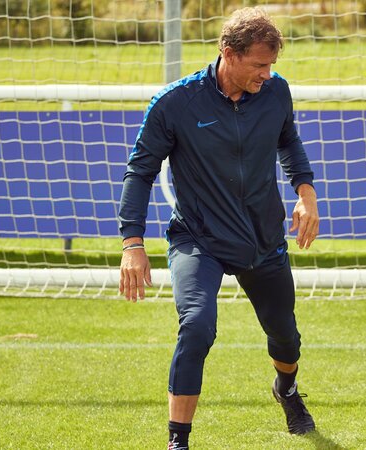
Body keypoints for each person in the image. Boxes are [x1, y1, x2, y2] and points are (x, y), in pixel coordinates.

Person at [118, 7, 319, 447]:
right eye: (259, 65)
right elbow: (140, 172)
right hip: (199, 239)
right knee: (196, 326)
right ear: (228, 52)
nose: (267, 74)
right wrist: (132, 243)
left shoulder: (276, 92)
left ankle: (286, 389)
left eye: (272, 65)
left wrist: (306, 195)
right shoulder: (176, 102)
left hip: (262, 238)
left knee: (285, 337)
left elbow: (289, 141)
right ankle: (178, 439)